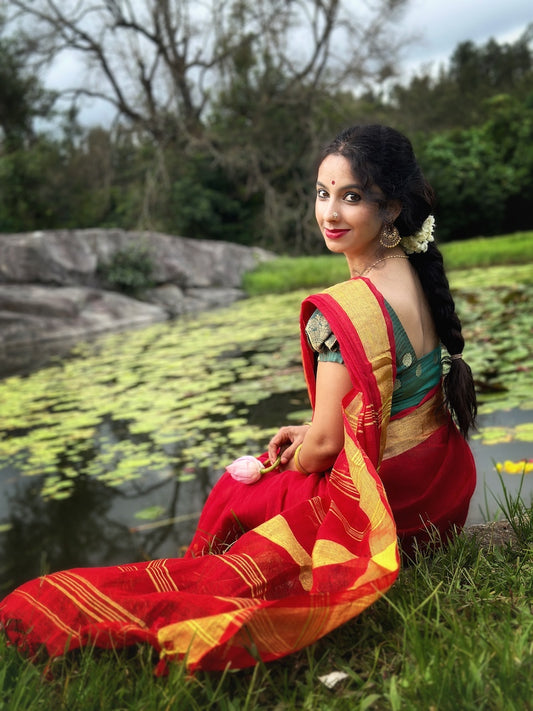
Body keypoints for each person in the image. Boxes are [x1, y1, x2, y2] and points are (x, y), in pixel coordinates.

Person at [0, 124, 476, 673]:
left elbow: (322, 450)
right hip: (442, 492)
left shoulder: (347, 307)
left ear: (390, 208)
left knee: (237, 486)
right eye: (323, 193)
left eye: (352, 197)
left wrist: (288, 458)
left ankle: (191, 588)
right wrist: (315, 435)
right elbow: (393, 405)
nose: (330, 213)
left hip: (395, 511)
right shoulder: (418, 274)